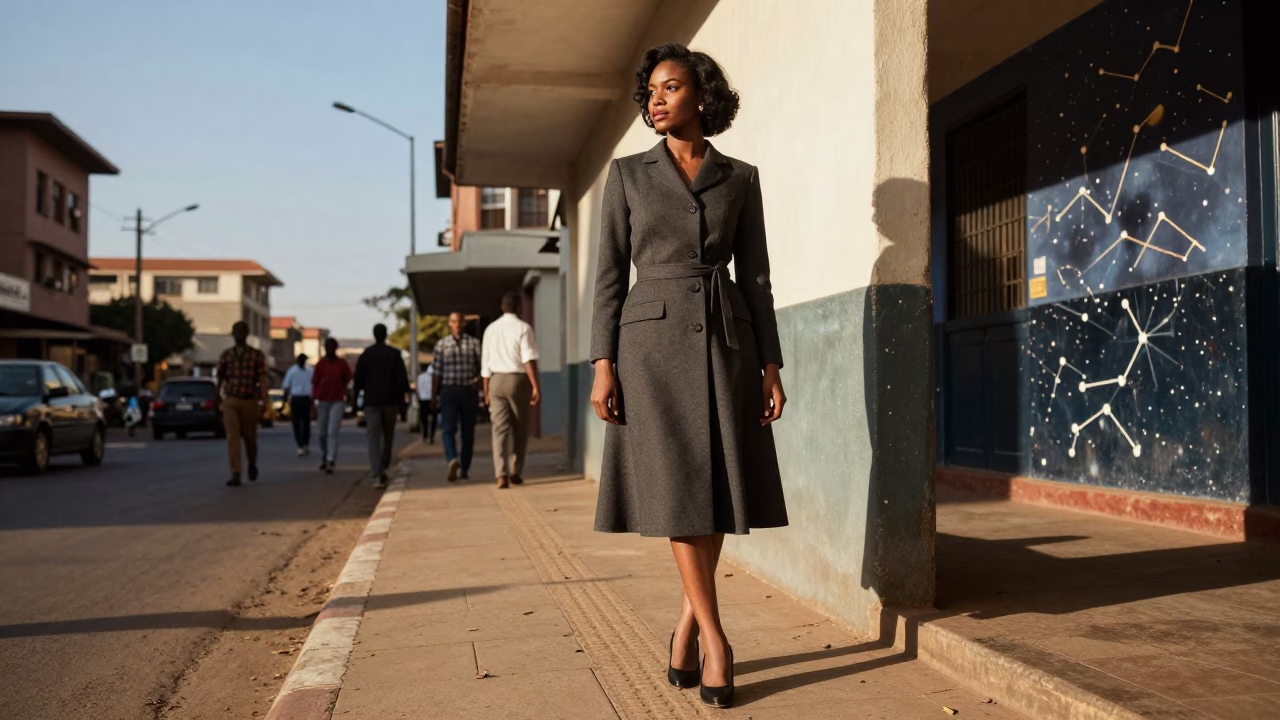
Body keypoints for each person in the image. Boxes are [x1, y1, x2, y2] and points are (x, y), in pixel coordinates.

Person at [589, 44, 788, 709]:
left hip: (727, 339)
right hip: (650, 350)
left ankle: (681, 631)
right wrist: (602, 365)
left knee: (716, 490)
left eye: (670, 88)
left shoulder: (740, 177)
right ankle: (716, 638)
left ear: (701, 95)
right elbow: (609, 280)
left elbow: (755, 276)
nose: (656, 99)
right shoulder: (627, 175)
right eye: (649, 91)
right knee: (679, 489)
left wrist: (770, 364)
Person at [481, 292, 541, 489]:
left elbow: (485, 365)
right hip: (517, 380)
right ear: (518, 308)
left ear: (502, 308)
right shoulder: (523, 328)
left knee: (499, 429)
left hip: (496, 380)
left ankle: (500, 474)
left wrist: (487, 390)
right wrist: (535, 385)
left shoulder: (490, 329)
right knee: (520, 428)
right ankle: (516, 471)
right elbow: (528, 359)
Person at [353, 323, 410, 489]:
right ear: (386, 335)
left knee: (373, 439)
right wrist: (403, 406)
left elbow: (358, 381)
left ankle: (377, 473)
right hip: (390, 402)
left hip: (371, 402)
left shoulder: (366, 355)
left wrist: (355, 402)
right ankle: (382, 466)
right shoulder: (394, 354)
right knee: (388, 437)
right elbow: (402, 381)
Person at [217, 321, 270, 487]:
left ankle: (252, 463)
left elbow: (262, 379)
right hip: (231, 399)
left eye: (241, 332)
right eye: (236, 332)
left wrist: (265, 401)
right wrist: (216, 396)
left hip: (249, 400)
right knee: (232, 438)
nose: (238, 335)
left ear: (246, 334)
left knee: (250, 438)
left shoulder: (256, 355)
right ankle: (236, 472)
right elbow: (220, 377)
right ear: (232, 335)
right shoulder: (226, 355)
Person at [432, 312, 482, 482]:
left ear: (464, 323)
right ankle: (452, 460)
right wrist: (434, 396)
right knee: (448, 429)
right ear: (449, 323)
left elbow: (482, 368)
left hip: (468, 391)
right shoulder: (441, 345)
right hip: (449, 391)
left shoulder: (474, 344)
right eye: (454, 322)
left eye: (460, 322)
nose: (457, 325)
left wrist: (480, 387)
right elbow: (437, 373)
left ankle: (464, 468)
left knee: (468, 432)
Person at [312, 337, 352, 474]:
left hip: (338, 400)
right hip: (323, 401)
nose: (329, 350)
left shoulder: (342, 364)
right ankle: (324, 455)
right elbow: (315, 382)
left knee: (332, 431)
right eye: (327, 347)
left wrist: (349, 395)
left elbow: (349, 380)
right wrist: (314, 399)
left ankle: (331, 459)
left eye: (331, 347)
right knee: (321, 433)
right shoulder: (320, 364)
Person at [282, 353, 314, 456]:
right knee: (300, 423)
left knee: (304, 423)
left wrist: (285, 399)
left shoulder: (309, 371)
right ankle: (301, 445)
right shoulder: (294, 371)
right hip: (298, 398)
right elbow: (286, 387)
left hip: (304, 398)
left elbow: (286, 387)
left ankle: (303, 445)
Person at [415, 362, 437, 444]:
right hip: (432, 400)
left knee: (424, 419)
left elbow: (417, 390)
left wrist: (417, 400)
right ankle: (430, 436)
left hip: (423, 400)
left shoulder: (420, 377)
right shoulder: (434, 378)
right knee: (433, 420)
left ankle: (425, 435)